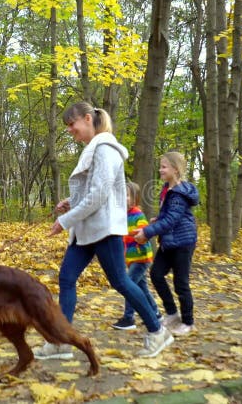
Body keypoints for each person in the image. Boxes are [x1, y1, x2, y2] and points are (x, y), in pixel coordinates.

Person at [33, 101, 174, 360]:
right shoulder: (92, 149)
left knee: (120, 280)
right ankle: (62, 340)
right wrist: (71, 202)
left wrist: (66, 220)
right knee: (66, 278)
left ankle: (157, 332)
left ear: (87, 119)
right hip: (87, 229)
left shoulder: (105, 149)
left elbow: (99, 195)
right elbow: (92, 191)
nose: (69, 130)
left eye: (71, 124)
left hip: (104, 229)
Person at [134, 152, 199, 336]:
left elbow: (172, 220)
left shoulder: (179, 194)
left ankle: (188, 322)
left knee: (181, 283)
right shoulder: (167, 189)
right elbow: (168, 216)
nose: (160, 170)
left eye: (164, 167)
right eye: (160, 166)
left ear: (175, 170)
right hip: (168, 241)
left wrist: (147, 232)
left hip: (183, 242)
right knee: (156, 274)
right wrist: (158, 219)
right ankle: (172, 313)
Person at [111, 181, 160, 330]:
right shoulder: (122, 215)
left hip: (141, 258)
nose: (122, 198)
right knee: (142, 288)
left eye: (126, 195)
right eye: (121, 195)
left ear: (134, 199)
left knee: (129, 285)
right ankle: (155, 313)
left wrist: (129, 233)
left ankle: (129, 318)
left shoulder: (137, 214)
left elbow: (144, 231)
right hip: (131, 259)